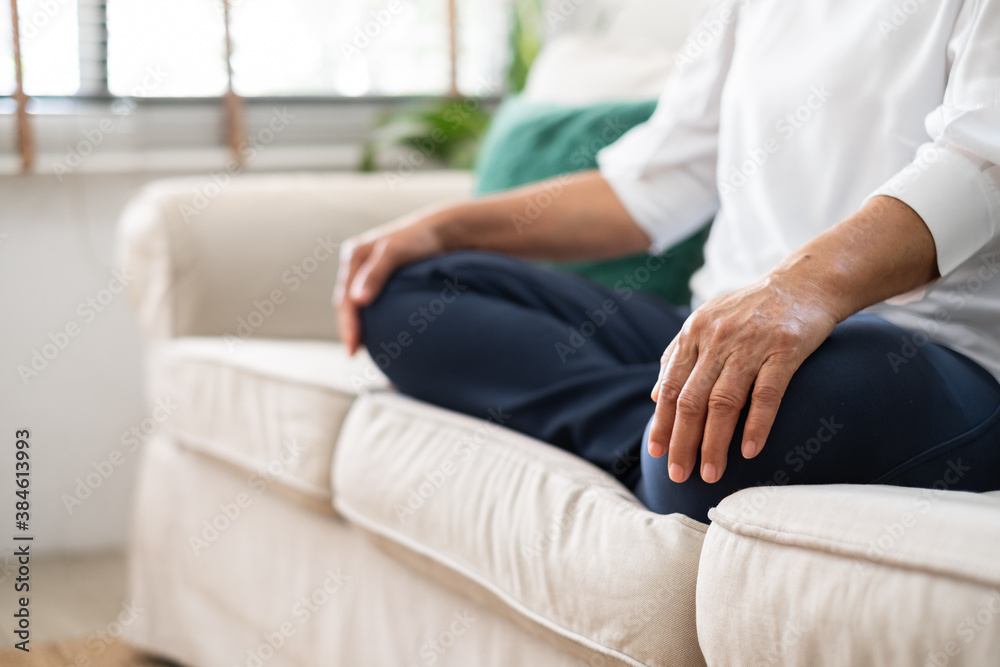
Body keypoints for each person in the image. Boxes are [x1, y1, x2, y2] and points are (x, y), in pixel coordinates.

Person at [334, 0, 1000, 522]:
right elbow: (656, 183)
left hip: (921, 354)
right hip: (712, 330)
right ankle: (655, 440)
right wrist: (440, 228)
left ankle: (666, 437)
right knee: (398, 289)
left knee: (745, 422)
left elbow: (981, 162)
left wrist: (800, 290)